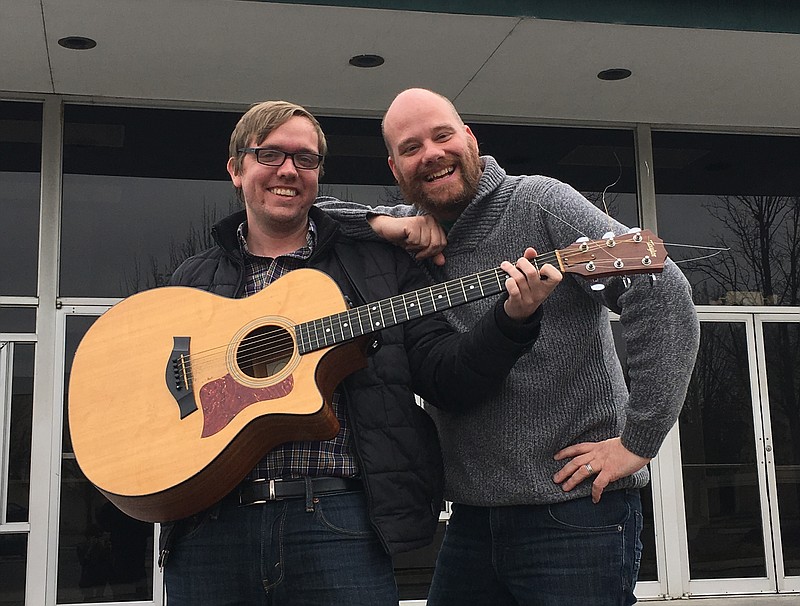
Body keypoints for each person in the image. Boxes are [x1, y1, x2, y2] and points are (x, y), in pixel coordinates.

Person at [157, 100, 560, 605]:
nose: (288, 170)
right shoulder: (191, 280)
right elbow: (145, 396)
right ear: (236, 169)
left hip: (338, 524)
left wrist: (510, 322)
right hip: (211, 529)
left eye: (305, 159)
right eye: (270, 155)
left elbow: (446, 378)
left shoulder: (379, 269)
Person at [318, 88, 701, 605]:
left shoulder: (540, 201)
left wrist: (638, 441)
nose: (431, 153)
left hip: (573, 513)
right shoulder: (411, 235)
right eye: (411, 148)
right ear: (395, 167)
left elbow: (662, 289)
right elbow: (306, 209)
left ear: (470, 139)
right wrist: (379, 221)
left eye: (443, 135)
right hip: (471, 519)